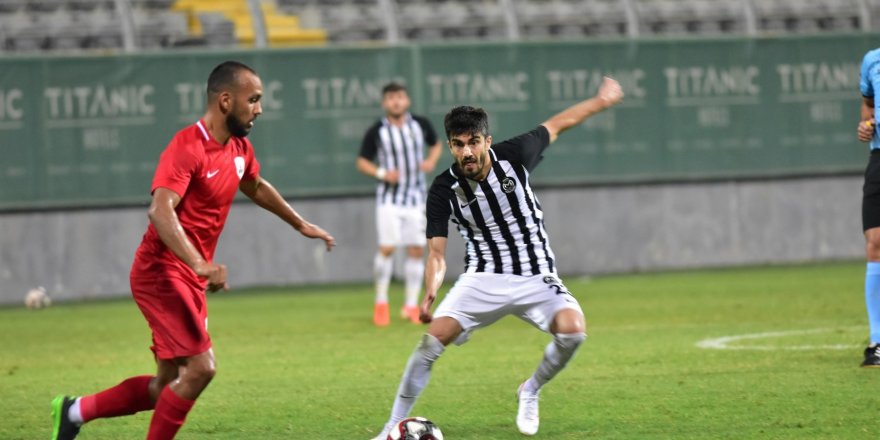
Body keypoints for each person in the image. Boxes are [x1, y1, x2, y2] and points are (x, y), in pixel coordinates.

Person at [50, 61, 336, 440]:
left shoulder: (239, 148)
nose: (259, 109)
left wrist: (300, 224)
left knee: (166, 386)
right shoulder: (187, 147)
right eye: (253, 100)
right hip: (161, 273)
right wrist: (200, 264)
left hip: (187, 277)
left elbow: (254, 185)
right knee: (202, 368)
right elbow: (160, 211)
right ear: (224, 100)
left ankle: (74, 411)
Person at [371, 77, 624, 438]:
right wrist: (430, 293)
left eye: (474, 142)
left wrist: (602, 100)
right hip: (482, 277)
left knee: (573, 333)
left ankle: (530, 389)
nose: (467, 152)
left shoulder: (515, 155)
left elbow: (559, 123)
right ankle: (388, 429)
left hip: (536, 274)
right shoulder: (444, 189)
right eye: (458, 145)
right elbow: (437, 253)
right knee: (431, 342)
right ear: (450, 147)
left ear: (486, 141)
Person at [357, 82, 442, 326]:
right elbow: (362, 162)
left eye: (400, 97)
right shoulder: (377, 131)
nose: (396, 102)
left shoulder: (420, 124)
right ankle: (381, 302)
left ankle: (411, 305)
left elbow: (436, 144)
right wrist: (383, 174)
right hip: (389, 199)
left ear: (407, 101)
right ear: (385, 103)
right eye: (391, 98)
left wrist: (430, 161)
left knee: (416, 249)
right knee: (388, 248)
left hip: (415, 197)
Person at [859, 47, 880, 368]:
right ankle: (877, 342)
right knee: (876, 242)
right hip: (879, 159)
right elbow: (867, 106)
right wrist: (866, 125)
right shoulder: (872, 59)